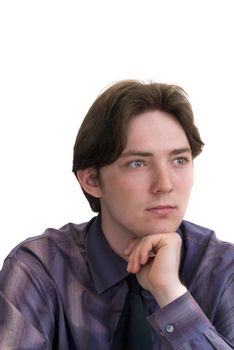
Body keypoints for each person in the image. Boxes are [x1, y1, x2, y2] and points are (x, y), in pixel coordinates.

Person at [0, 80, 234, 350]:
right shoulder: (39, 270)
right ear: (91, 180)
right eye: (138, 163)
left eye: (179, 160)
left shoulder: (223, 269)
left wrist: (171, 296)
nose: (165, 184)